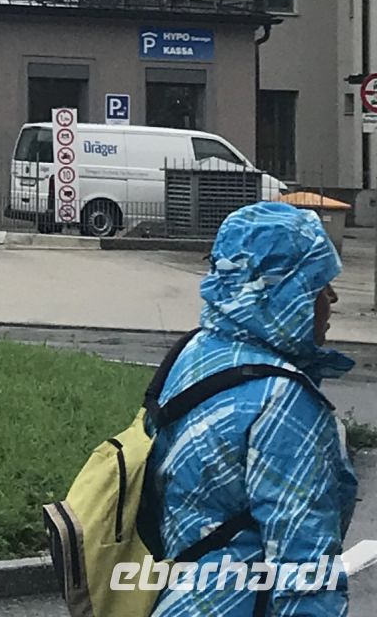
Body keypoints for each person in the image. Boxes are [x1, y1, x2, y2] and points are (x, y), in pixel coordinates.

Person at [145, 201, 357, 614]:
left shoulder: (194, 354)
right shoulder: (282, 401)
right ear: (281, 292)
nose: (332, 296)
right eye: (316, 282)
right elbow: (305, 572)